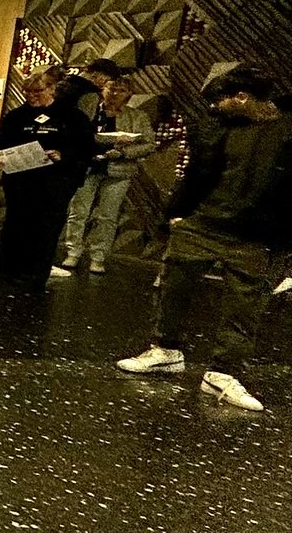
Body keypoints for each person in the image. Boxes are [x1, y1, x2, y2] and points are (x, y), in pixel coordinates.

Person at [117, 67, 292, 412]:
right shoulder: (219, 127)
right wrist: (176, 213)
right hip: (204, 222)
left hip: (257, 235)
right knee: (172, 286)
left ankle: (222, 373)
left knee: (244, 307)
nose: (214, 106)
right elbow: (198, 173)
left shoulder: (287, 128)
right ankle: (165, 350)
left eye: (220, 99)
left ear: (242, 97)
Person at [0, 72, 94, 280]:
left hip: (54, 182)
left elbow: (86, 148)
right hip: (20, 181)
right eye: (27, 92)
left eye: (37, 91)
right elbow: (1, 145)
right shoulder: (16, 116)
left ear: (52, 89)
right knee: (15, 223)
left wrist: (63, 155)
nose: (32, 96)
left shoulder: (72, 116)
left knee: (45, 227)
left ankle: (36, 272)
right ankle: (8, 269)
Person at [60, 78, 157, 273]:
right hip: (88, 166)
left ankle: (98, 256)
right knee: (78, 211)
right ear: (102, 91)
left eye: (121, 90)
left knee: (108, 215)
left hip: (119, 170)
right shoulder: (89, 112)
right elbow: (74, 135)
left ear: (129, 94)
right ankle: (73, 252)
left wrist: (124, 152)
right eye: (111, 89)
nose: (114, 94)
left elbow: (149, 144)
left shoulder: (137, 116)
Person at [54, 58, 122, 121]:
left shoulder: (62, 83)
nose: (104, 86)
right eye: (106, 81)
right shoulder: (91, 95)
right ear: (99, 75)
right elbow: (83, 123)